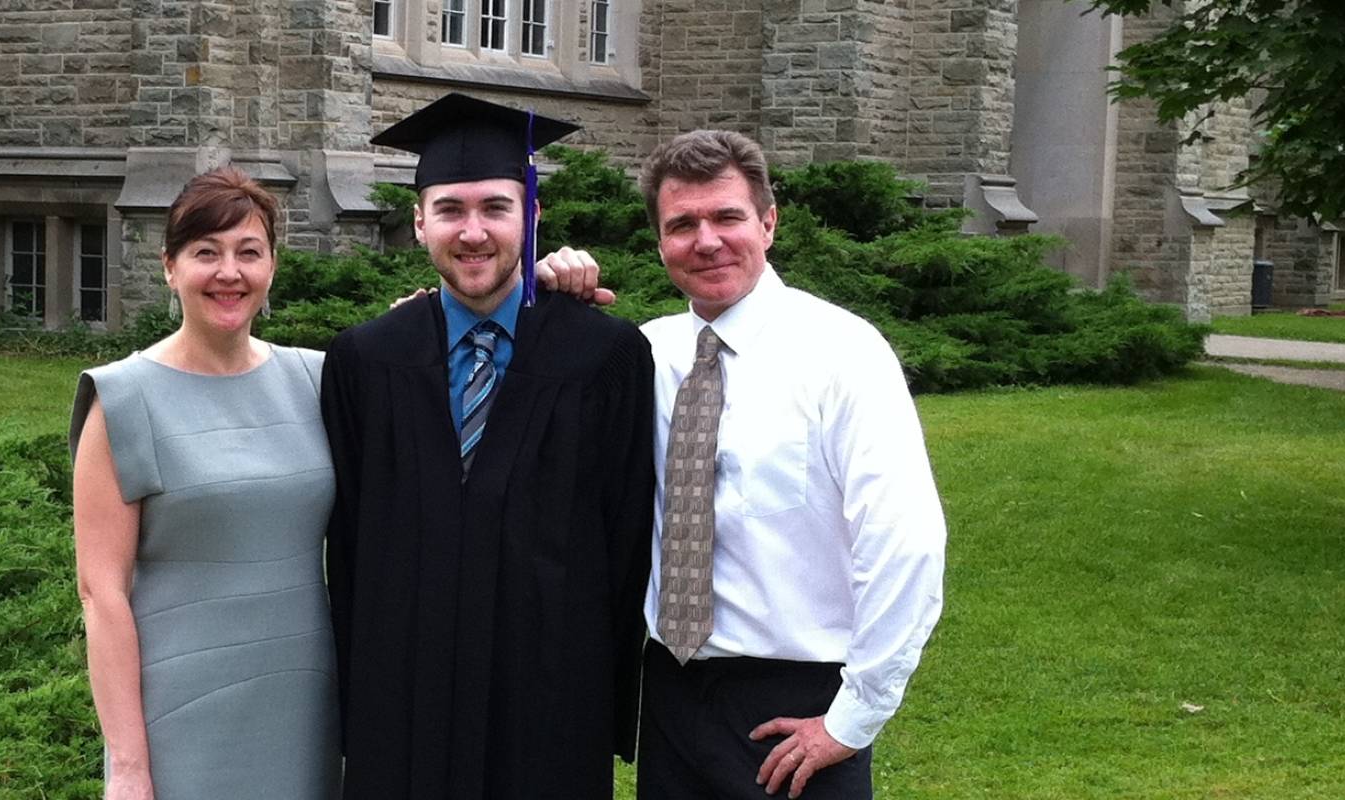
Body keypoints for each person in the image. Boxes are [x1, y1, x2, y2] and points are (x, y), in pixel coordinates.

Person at [541, 130, 947, 800]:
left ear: (768, 222)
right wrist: (547, 309)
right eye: (682, 225)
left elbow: (906, 542)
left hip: (794, 703)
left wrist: (853, 718)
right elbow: (539, 444)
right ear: (660, 240)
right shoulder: (644, 356)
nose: (706, 241)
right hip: (670, 694)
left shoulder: (842, 353)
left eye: (727, 217)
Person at [320, 93, 657, 799]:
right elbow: (347, 548)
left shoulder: (606, 358)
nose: (473, 232)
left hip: (551, 704)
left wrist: (610, 704)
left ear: (532, 217)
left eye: (495, 208)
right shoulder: (363, 361)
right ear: (419, 223)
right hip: (402, 702)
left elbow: (628, 545)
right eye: (450, 210)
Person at [69, 166, 340, 800]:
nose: (230, 273)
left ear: (272, 266)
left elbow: (439, 371)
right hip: (181, 713)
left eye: (249, 252)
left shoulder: (319, 381)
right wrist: (129, 765)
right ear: (169, 267)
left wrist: (546, 289)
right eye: (206, 253)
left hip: (306, 705)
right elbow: (100, 594)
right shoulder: (122, 399)